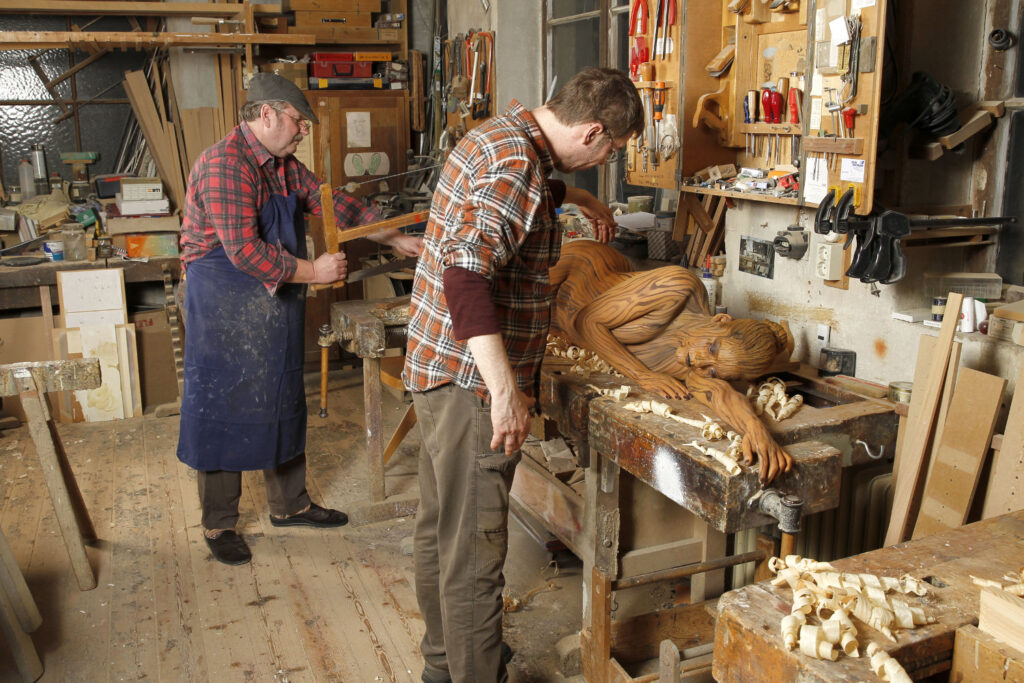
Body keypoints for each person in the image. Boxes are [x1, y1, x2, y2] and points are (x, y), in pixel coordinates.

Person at [403, 67, 643, 683]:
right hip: (470, 388)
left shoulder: (502, 138)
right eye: (610, 151)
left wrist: (575, 199)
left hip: (436, 373)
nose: (604, 161)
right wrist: (506, 394)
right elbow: (464, 275)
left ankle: (443, 668)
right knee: (477, 556)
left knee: (443, 538)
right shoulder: (516, 168)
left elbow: (510, 202)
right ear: (591, 132)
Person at [176, 73, 422, 566]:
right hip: (225, 298)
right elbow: (244, 251)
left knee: (284, 394)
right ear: (265, 115)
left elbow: (336, 206)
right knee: (224, 408)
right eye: (297, 121)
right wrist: (314, 271)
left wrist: (395, 238)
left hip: (274, 296)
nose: (302, 131)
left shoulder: (284, 165)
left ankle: (291, 506)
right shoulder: (225, 164)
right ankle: (219, 522)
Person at [549, 239, 794, 484]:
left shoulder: (692, 367)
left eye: (712, 370)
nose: (698, 361)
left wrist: (756, 429)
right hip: (579, 269)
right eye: (712, 348)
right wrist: (642, 375)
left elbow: (722, 395)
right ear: (720, 320)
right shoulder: (679, 288)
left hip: (557, 324)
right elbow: (587, 321)